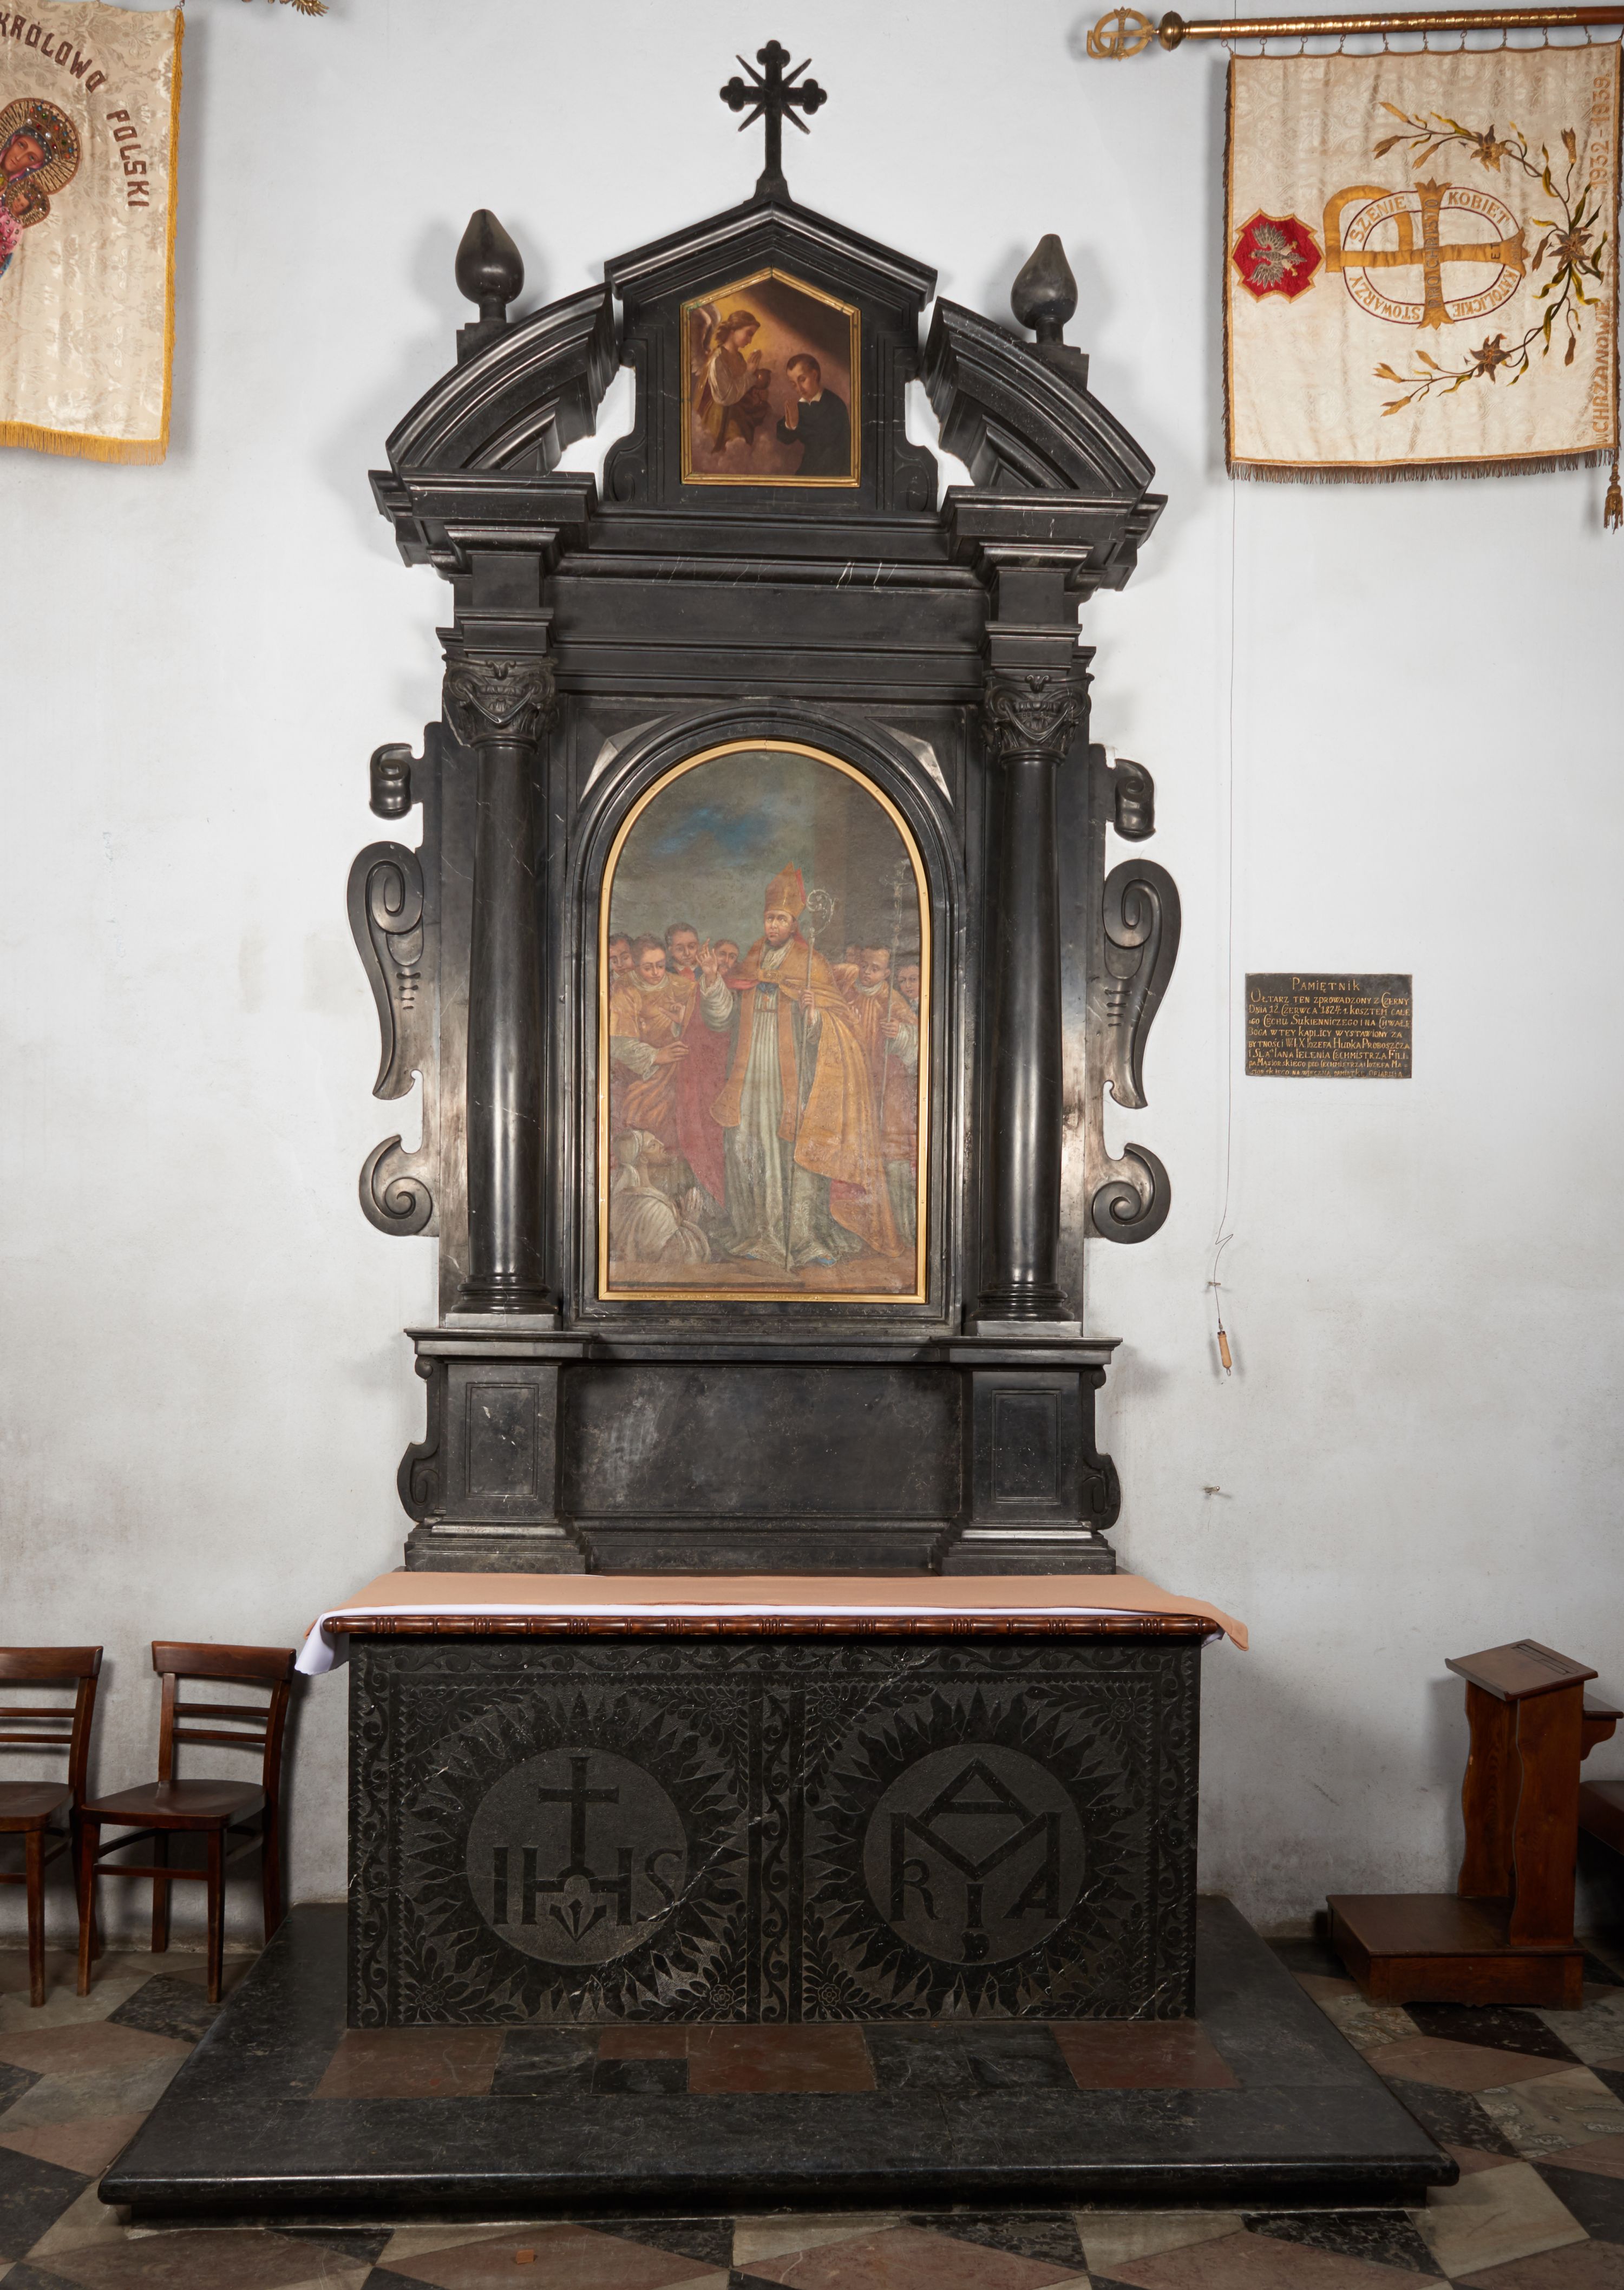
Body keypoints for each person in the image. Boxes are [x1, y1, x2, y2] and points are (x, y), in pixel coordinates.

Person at [698, 866, 902, 1270]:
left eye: (781, 918)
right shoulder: (752, 959)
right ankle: (758, 1232)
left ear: (794, 923)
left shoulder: (813, 964)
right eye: (769, 918)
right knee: (749, 1147)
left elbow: (837, 1024)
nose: (773, 925)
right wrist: (711, 980)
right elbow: (722, 1019)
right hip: (749, 1078)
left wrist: (814, 1013)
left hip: (792, 1080)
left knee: (792, 1151)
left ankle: (800, 1237)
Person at [842, 945, 920, 1246]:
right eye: (864, 966)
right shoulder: (849, 993)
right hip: (854, 1083)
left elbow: (918, 1041)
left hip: (889, 1089)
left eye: (875, 969)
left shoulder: (893, 1001)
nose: (867, 972)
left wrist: (899, 1034)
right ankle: (856, 1229)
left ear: (886, 973)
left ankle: (898, 1229)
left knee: (891, 1153)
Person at [608, 936, 695, 1164]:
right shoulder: (624, 989)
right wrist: (657, 1056)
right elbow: (619, 1043)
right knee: (642, 1111)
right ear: (637, 965)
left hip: (680, 1065)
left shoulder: (681, 986)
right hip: (640, 1072)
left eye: (660, 965)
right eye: (648, 968)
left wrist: (682, 1021)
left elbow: (703, 1025)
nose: (656, 973)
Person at [608, 1131, 711, 1271]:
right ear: (643, 1158)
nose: (662, 1144)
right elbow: (680, 1260)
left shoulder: (626, 1198)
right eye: (653, 1145)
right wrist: (690, 1223)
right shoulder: (652, 1207)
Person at [692, 306, 770, 458]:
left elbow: (742, 387)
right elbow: (726, 396)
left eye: (752, 336)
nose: (750, 341)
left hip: (735, 413)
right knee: (733, 449)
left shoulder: (740, 358)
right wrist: (749, 373)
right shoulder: (718, 359)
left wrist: (757, 391)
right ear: (734, 330)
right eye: (749, 334)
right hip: (719, 418)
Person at [775, 354, 852, 480]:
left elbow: (821, 438)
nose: (799, 388)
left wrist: (796, 425)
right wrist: (789, 425)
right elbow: (783, 437)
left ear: (815, 375)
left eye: (802, 380)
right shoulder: (801, 405)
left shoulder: (834, 404)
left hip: (833, 472)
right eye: (794, 384)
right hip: (808, 469)